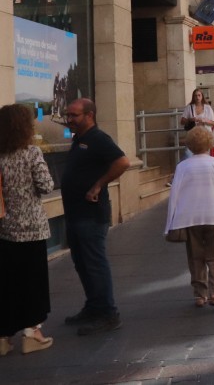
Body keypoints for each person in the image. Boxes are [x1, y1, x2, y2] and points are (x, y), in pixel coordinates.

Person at [61, 98, 129, 335]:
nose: (69, 120)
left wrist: (98, 185)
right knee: (82, 264)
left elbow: (123, 162)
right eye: (68, 115)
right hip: (75, 213)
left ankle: (108, 314)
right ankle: (93, 307)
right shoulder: (79, 139)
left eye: (73, 115)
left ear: (89, 115)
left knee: (94, 264)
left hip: (91, 215)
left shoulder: (99, 139)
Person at [0, 103, 55, 354]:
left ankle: (3, 337)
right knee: (32, 282)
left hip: (5, 227)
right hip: (32, 228)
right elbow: (46, 186)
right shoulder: (31, 153)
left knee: (8, 282)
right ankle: (33, 333)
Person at [164, 127, 214, 311]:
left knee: (195, 255)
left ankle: (200, 294)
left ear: (190, 144)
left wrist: (171, 221)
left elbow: (175, 193)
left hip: (190, 216)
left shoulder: (183, 166)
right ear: (210, 143)